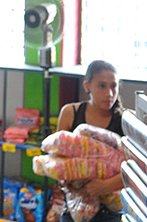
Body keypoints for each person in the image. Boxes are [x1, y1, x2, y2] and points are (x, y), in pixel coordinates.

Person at [54, 60, 126, 222]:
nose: (109, 93)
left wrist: (106, 186)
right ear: (87, 86)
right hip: (75, 209)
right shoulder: (70, 113)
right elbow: (57, 160)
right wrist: (72, 182)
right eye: (102, 86)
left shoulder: (126, 120)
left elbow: (136, 169)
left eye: (113, 86)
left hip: (112, 212)